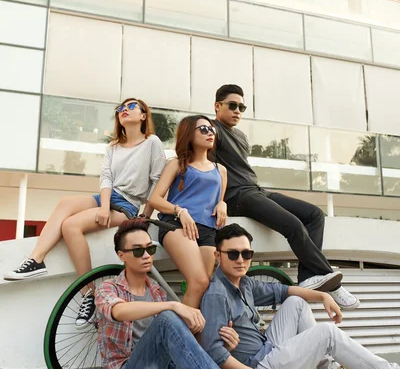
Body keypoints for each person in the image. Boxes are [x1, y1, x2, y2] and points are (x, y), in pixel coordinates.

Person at [94, 218, 282, 369]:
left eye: (150, 249)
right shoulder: (107, 288)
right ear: (121, 255)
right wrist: (174, 305)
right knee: (167, 318)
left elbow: (180, 343)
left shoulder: (155, 291)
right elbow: (119, 311)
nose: (146, 256)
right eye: (137, 251)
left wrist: (224, 341)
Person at [4, 98, 166, 329]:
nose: (123, 111)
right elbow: (106, 178)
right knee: (65, 203)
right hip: (107, 198)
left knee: (70, 226)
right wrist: (103, 206)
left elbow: (157, 181)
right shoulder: (113, 146)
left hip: (128, 205)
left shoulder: (152, 142)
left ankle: (88, 293)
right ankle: (35, 260)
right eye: (120, 108)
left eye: (130, 107)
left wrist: (145, 216)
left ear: (143, 115)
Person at [200, 223, 400, 369]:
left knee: (296, 301)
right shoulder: (217, 295)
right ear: (218, 255)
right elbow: (215, 353)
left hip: (266, 350)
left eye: (247, 254)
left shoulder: (244, 283)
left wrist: (324, 296)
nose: (241, 260)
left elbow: (283, 291)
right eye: (233, 254)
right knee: (326, 333)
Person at [212, 83, 359, 310]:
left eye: (242, 107)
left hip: (256, 189)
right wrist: (219, 200)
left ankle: (308, 278)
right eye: (232, 105)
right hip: (237, 195)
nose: (238, 111)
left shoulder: (240, 136)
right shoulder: (212, 130)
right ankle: (331, 282)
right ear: (217, 106)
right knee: (293, 224)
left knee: (314, 215)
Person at [150, 115, 227, 308]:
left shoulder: (221, 170)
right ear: (189, 134)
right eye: (203, 129)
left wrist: (223, 204)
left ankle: (193, 336)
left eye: (212, 129)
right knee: (199, 282)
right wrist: (180, 211)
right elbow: (155, 198)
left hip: (208, 229)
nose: (210, 133)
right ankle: (179, 336)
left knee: (204, 288)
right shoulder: (177, 164)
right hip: (177, 225)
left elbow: (219, 199)